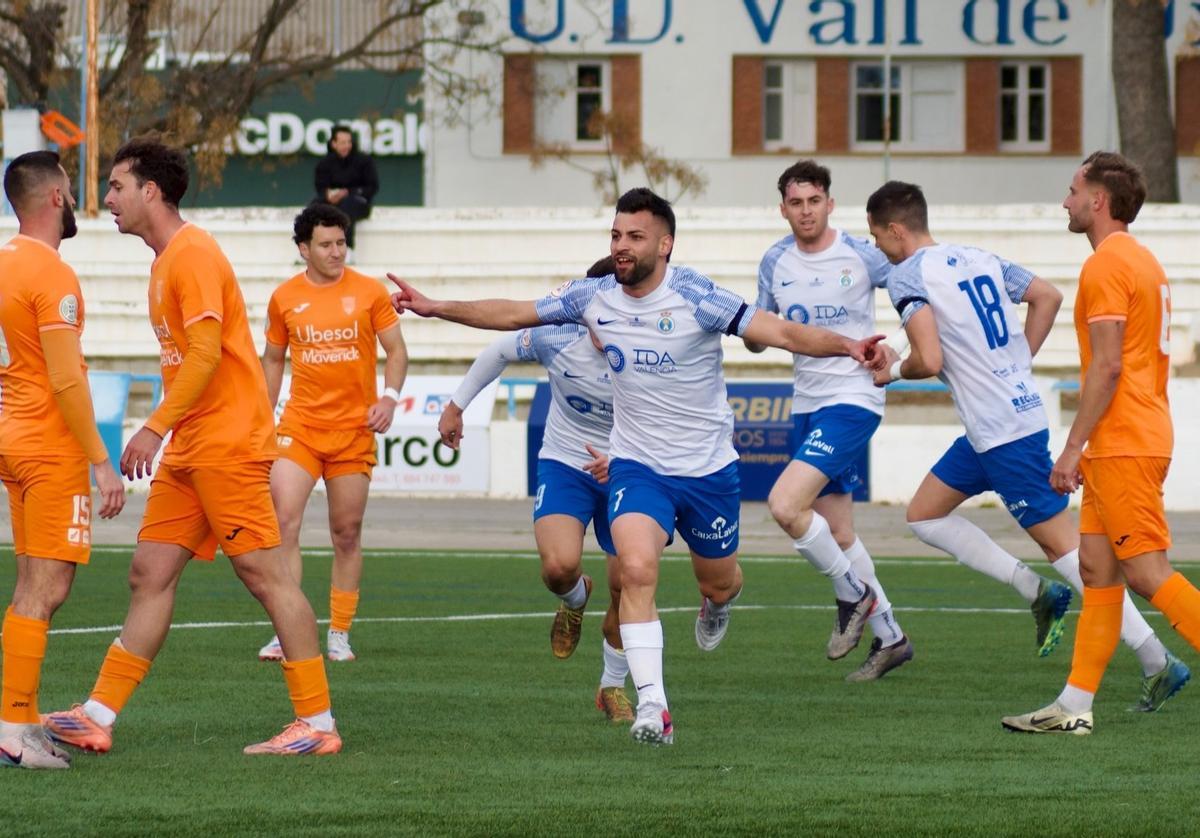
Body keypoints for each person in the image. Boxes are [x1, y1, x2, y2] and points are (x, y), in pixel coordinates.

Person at [388, 187, 882, 746]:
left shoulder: (698, 298)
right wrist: (435, 307)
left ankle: (718, 603)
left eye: (635, 237)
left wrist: (848, 346)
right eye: (616, 235)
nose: (622, 245)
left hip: (707, 470)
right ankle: (653, 707)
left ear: (665, 245)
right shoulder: (591, 297)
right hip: (637, 466)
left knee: (720, 581)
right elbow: (510, 314)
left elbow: (784, 332)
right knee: (637, 571)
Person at [41, 138, 341, 757]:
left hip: (226, 443)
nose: (108, 199)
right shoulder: (165, 262)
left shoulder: (193, 254)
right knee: (148, 573)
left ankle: (318, 723)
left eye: (117, 186)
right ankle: (96, 715)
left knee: (266, 576)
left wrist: (154, 426)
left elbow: (204, 355)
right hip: (191, 447)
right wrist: (169, 432)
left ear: (150, 191)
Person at [864, 180, 1186, 705]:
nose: (878, 247)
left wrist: (892, 372)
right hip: (995, 425)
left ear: (896, 230)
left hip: (1003, 433)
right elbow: (1046, 295)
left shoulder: (906, 276)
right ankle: (1034, 589)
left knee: (1073, 554)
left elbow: (930, 359)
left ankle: (1157, 659)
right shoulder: (976, 256)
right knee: (923, 514)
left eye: (878, 237)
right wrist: (1017, 364)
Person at [1002, 152, 1197, 734]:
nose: (1065, 202)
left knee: (1147, 572)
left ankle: (1074, 705)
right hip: (1123, 438)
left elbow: (1108, 367)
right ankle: (1073, 706)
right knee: (1096, 569)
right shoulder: (1139, 259)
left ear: (1098, 199)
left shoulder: (1107, 264)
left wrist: (1071, 448)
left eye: (1072, 191)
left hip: (1126, 439)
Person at [439, 256, 636, 723]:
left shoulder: (652, 348)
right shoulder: (556, 336)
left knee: (629, 585)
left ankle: (612, 686)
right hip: (567, 462)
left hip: (630, 470)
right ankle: (575, 598)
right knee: (557, 567)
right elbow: (499, 350)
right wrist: (456, 406)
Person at [745, 160, 912, 681]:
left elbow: (918, 300)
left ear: (830, 204)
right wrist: (753, 334)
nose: (806, 211)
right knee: (838, 533)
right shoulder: (775, 260)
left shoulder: (861, 254)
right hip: (806, 403)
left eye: (814, 201)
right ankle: (892, 638)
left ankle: (852, 595)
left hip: (854, 399)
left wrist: (898, 350)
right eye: (796, 203)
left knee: (785, 504)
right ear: (783, 209)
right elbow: (759, 330)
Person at [0, 151, 126, 770]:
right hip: (48, 446)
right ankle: (11, 727)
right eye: (71, 190)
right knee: (48, 587)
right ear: (55, 197)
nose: (75, 200)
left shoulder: (3, 262)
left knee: (31, 584)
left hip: (12, 438)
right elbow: (67, 379)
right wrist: (102, 461)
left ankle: (20, 721)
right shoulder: (52, 274)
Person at [255, 204, 408, 664]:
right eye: (326, 244)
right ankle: (285, 630)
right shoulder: (284, 298)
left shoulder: (369, 292)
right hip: (299, 428)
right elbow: (273, 360)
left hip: (353, 432)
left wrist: (389, 399)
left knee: (345, 532)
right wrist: (260, 418)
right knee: (283, 522)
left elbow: (397, 351)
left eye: (341, 242)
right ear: (304, 249)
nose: (336, 251)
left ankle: (339, 633)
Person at [313, 125, 378, 257]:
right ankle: (310, 251)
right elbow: (320, 187)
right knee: (314, 208)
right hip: (332, 203)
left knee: (346, 207)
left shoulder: (364, 161)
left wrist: (348, 192)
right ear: (334, 143)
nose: (347, 146)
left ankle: (347, 250)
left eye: (349, 142)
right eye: (343, 142)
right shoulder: (325, 163)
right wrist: (328, 195)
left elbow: (372, 187)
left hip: (358, 202)